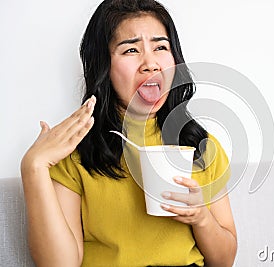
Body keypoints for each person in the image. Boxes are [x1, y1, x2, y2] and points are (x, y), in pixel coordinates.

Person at [20, 0, 237, 266]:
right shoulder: (75, 153)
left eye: (160, 47)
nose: (151, 63)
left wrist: (201, 218)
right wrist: (34, 167)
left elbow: (225, 261)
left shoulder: (200, 146)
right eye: (131, 49)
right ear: (104, 66)